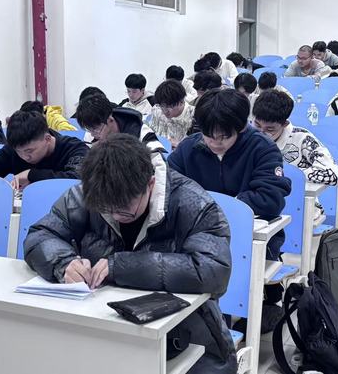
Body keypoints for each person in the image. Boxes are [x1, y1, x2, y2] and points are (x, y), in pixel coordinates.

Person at [24, 134, 237, 374]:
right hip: (101, 326)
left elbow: (213, 270)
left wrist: (121, 266)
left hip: (184, 334)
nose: (115, 216)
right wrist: (64, 263)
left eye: (125, 211)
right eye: (106, 210)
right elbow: (41, 234)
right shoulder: (91, 191)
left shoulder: (193, 203)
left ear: (150, 184)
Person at [168, 88, 291, 331]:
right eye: (209, 135)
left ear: (241, 127)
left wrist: (218, 207)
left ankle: (258, 308)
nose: (216, 142)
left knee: (229, 280)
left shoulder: (262, 148)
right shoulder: (188, 149)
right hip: (199, 237)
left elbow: (270, 198)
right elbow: (168, 189)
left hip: (249, 236)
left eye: (224, 136)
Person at [252, 90, 338, 221]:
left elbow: (334, 175)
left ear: (285, 124)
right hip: (257, 203)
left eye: (270, 129)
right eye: (257, 125)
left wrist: (293, 176)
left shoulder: (303, 139)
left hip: (298, 205)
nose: (261, 133)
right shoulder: (247, 136)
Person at [0, 111, 88, 190]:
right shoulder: (13, 149)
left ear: (47, 138)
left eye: (29, 151)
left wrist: (31, 174)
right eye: (19, 152)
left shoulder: (74, 148)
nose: (25, 157)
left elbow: (77, 179)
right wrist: (3, 186)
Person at [149, 80, 195, 149]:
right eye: (162, 105)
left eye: (169, 106)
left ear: (181, 101)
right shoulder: (157, 110)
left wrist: (180, 145)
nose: (165, 110)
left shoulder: (194, 116)